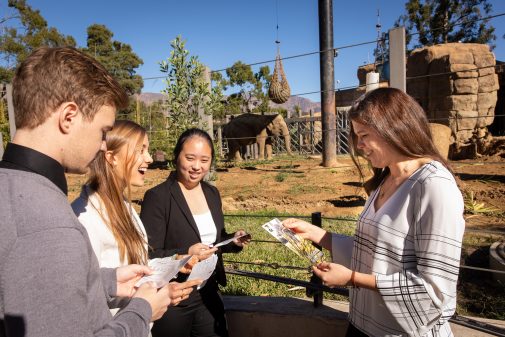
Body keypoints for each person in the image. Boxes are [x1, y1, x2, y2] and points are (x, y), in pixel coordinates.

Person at [0, 47, 182, 337]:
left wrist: (105, 283)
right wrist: (141, 311)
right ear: (69, 117)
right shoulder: (48, 224)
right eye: (102, 131)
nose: (101, 145)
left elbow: (31, 290)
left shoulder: (11, 187)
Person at [283, 88, 465, 337]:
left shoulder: (433, 185)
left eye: (364, 135)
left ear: (394, 128)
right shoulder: (386, 178)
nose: (359, 146)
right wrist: (316, 233)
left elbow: (435, 290)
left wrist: (353, 279)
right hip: (362, 324)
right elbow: (372, 250)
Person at [71, 120, 199, 317]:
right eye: (140, 150)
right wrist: (144, 307)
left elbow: (131, 269)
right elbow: (84, 291)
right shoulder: (85, 217)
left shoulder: (125, 208)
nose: (148, 158)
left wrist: (174, 263)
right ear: (111, 157)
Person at [140, 128, 250, 337]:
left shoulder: (212, 193)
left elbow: (213, 242)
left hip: (208, 293)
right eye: (190, 158)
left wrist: (233, 240)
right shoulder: (158, 197)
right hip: (174, 297)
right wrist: (186, 253)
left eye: (204, 160)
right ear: (176, 156)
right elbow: (148, 254)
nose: (197, 167)